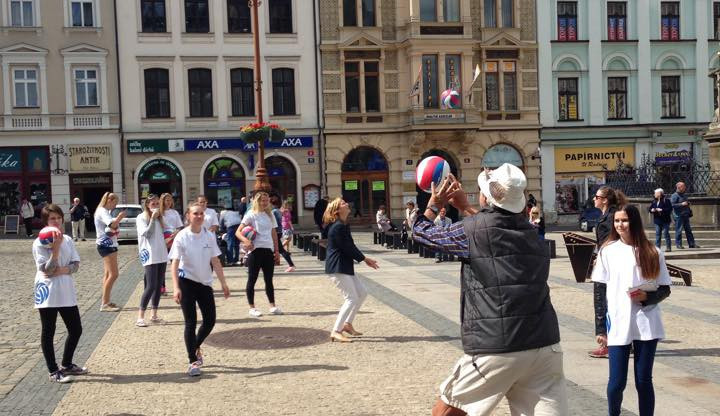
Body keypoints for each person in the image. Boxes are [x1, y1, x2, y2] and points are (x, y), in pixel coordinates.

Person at [413, 164, 567, 416]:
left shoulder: (473, 231)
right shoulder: (531, 232)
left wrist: (433, 203)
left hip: (497, 345)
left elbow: (421, 233)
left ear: (486, 196)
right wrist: (465, 208)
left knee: (445, 413)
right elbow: (494, 229)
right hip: (544, 345)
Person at [591, 204, 672, 416]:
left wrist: (647, 297)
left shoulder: (653, 252)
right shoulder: (607, 251)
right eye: (617, 221)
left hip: (646, 322)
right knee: (616, 382)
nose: (620, 225)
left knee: (643, 380)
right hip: (618, 322)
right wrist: (600, 328)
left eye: (624, 220)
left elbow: (665, 288)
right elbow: (599, 291)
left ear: (634, 222)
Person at [170, 202, 230, 377]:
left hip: (204, 283)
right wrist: (175, 288)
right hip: (186, 281)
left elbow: (215, 261)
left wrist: (224, 283)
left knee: (210, 320)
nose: (199, 216)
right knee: (190, 322)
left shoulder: (209, 236)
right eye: (195, 213)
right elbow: (174, 263)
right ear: (188, 216)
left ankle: (195, 346)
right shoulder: (181, 236)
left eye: (201, 214)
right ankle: (192, 361)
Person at [33, 204, 88, 383]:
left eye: (58, 218)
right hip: (47, 290)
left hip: (65, 289)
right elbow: (47, 270)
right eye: (52, 219)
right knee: (49, 330)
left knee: (76, 329)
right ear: (46, 222)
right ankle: (53, 370)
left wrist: (63, 269)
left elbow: (75, 265)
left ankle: (66, 364)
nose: (56, 222)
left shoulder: (68, 239)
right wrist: (55, 250)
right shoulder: (39, 242)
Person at [322, 198, 379, 343]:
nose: (346, 204)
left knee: (362, 293)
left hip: (344, 266)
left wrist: (364, 259)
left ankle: (347, 324)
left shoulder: (343, 224)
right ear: (337, 211)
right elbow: (348, 248)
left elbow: (350, 246)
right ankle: (336, 330)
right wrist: (365, 259)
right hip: (337, 267)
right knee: (351, 297)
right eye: (343, 203)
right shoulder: (338, 227)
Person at [589, 186, 627, 359]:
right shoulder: (609, 216)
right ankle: (617, 341)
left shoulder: (612, 217)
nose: (593, 199)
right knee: (608, 301)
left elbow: (612, 241)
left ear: (604, 199)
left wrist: (601, 255)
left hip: (609, 266)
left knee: (603, 301)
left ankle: (607, 342)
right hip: (608, 263)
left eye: (596, 196)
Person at [236, 192, 282, 317]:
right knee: (252, 279)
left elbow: (274, 233)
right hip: (255, 250)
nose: (265, 203)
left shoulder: (270, 215)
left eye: (267, 200)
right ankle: (252, 307)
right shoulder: (251, 214)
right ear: (257, 201)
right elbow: (238, 232)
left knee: (269, 280)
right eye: (262, 200)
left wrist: (276, 250)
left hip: (268, 250)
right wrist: (246, 241)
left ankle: (272, 306)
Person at [135, 195, 168, 327]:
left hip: (161, 254)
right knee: (151, 285)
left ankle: (154, 314)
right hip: (150, 254)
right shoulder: (141, 217)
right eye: (152, 203)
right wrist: (153, 219)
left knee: (159, 285)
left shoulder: (160, 217)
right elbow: (147, 234)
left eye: (156, 203)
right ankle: (140, 317)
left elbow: (163, 234)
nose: (155, 205)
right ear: (147, 205)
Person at [94, 192, 126, 312]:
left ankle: (106, 300)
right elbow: (112, 225)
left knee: (108, 274)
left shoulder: (102, 211)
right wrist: (120, 217)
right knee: (114, 274)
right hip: (106, 245)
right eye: (115, 203)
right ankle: (105, 303)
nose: (115, 206)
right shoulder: (102, 211)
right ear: (109, 200)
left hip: (106, 244)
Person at [160, 193, 184, 293]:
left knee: (176, 263)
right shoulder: (160, 213)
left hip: (174, 239)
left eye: (170, 200)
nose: (169, 202)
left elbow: (180, 226)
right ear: (163, 201)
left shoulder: (174, 212)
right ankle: (162, 287)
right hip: (162, 240)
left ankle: (180, 285)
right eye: (167, 200)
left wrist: (175, 234)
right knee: (162, 264)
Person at [270, 196, 296, 273]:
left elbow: (273, 223)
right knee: (273, 249)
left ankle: (291, 265)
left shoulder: (274, 212)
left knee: (280, 250)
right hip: (278, 231)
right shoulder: (278, 211)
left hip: (275, 232)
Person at [671, 182, 698, 249]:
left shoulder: (684, 195)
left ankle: (692, 244)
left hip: (685, 215)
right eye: (683, 186)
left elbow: (686, 202)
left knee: (688, 230)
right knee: (679, 230)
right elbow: (672, 205)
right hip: (678, 216)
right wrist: (681, 204)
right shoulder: (674, 195)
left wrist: (688, 203)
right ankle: (679, 245)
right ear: (679, 187)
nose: (685, 187)